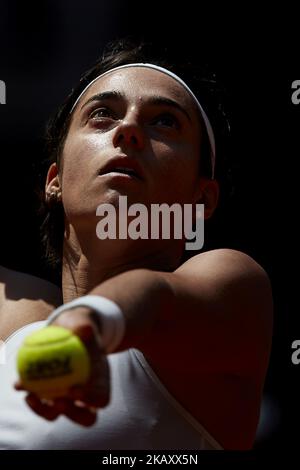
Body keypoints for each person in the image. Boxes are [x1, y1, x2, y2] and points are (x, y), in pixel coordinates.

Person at [0, 39, 273, 450]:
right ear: (54, 180)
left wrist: (91, 322)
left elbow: (155, 297)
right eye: (102, 115)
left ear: (202, 200)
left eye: (164, 122)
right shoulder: (16, 317)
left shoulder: (233, 286)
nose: (127, 130)